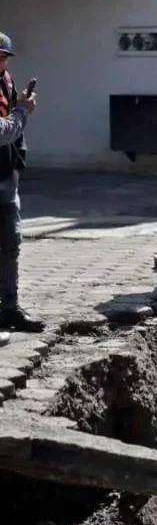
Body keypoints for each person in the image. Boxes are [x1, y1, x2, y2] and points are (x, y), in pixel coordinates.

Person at [0, 33, 44, 332]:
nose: (1, 62)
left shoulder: (7, 80)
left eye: (3, 57)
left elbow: (14, 134)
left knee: (11, 244)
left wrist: (19, 161)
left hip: (5, 176)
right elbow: (4, 131)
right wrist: (22, 112)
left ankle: (10, 307)